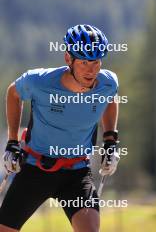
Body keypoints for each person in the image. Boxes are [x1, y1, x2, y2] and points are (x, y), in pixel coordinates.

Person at [0, 24, 120, 232]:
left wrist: (110, 141)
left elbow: (111, 99)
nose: (91, 70)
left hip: (77, 173)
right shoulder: (39, 81)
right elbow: (13, 93)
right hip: (36, 168)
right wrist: (12, 142)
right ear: (68, 59)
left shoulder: (107, 83)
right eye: (84, 62)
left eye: (96, 62)